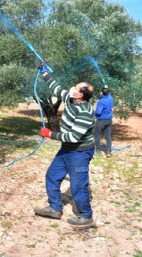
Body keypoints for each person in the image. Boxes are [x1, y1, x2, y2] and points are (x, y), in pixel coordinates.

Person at [34, 62, 96, 226]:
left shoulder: (85, 112)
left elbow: (74, 137)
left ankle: (86, 217)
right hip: (67, 149)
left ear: (80, 96)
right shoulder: (70, 99)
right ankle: (55, 209)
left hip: (80, 152)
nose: (71, 89)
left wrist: (50, 134)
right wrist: (45, 73)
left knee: (78, 185)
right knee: (52, 176)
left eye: (75, 88)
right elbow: (56, 88)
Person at [94, 85, 114, 157]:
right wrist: (106, 88)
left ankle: (98, 151)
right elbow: (108, 92)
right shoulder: (110, 98)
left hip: (101, 120)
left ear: (102, 93)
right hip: (109, 120)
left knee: (96, 134)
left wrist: (93, 112)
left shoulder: (101, 101)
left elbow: (98, 112)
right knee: (108, 136)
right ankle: (109, 152)